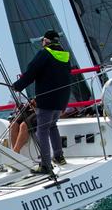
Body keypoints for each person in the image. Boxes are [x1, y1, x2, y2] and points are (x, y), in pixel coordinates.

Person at [12, 30, 71, 175]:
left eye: (43, 40)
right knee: (52, 126)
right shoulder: (65, 56)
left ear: (47, 41)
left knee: (42, 130)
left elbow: (31, 73)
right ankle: (59, 156)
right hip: (61, 101)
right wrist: (64, 103)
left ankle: (45, 165)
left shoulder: (44, 54)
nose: (42, 43)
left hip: (46, 101)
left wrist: (17, 86)